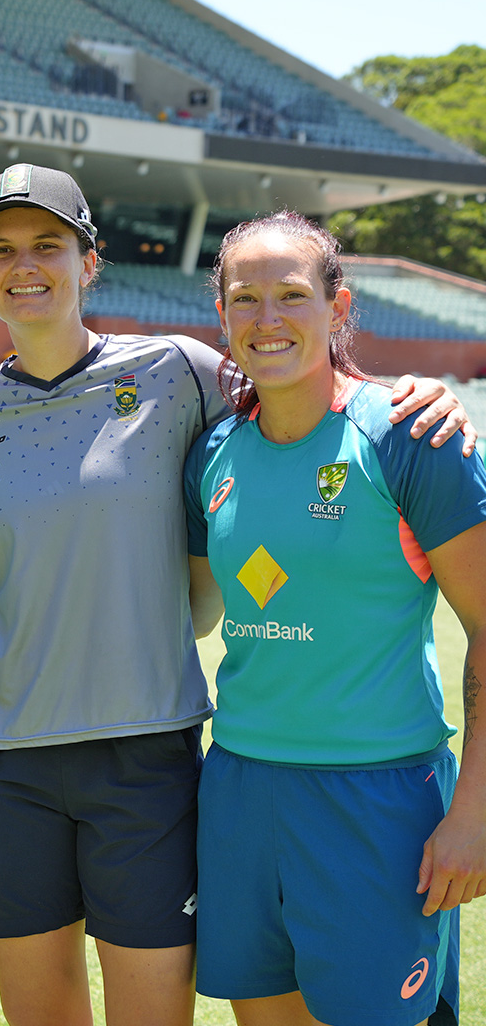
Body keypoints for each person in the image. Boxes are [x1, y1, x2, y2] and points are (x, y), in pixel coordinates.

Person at [0, 164, 477, 1026]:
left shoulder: (195, 377)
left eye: (290, 295)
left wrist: (417, 394)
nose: (266, 319)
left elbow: (307, 392)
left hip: (268, 772)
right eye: (3, 249)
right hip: (178, 779)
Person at [184, 211, 486, 1026]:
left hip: (379, 797)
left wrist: (477, 811)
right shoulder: (211, 455)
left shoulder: (412, 438)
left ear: (338, 307)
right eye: (245, 299)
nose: (267, 319)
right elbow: (186, 605)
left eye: (291, 295)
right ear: (221, 315)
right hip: (242, 789)